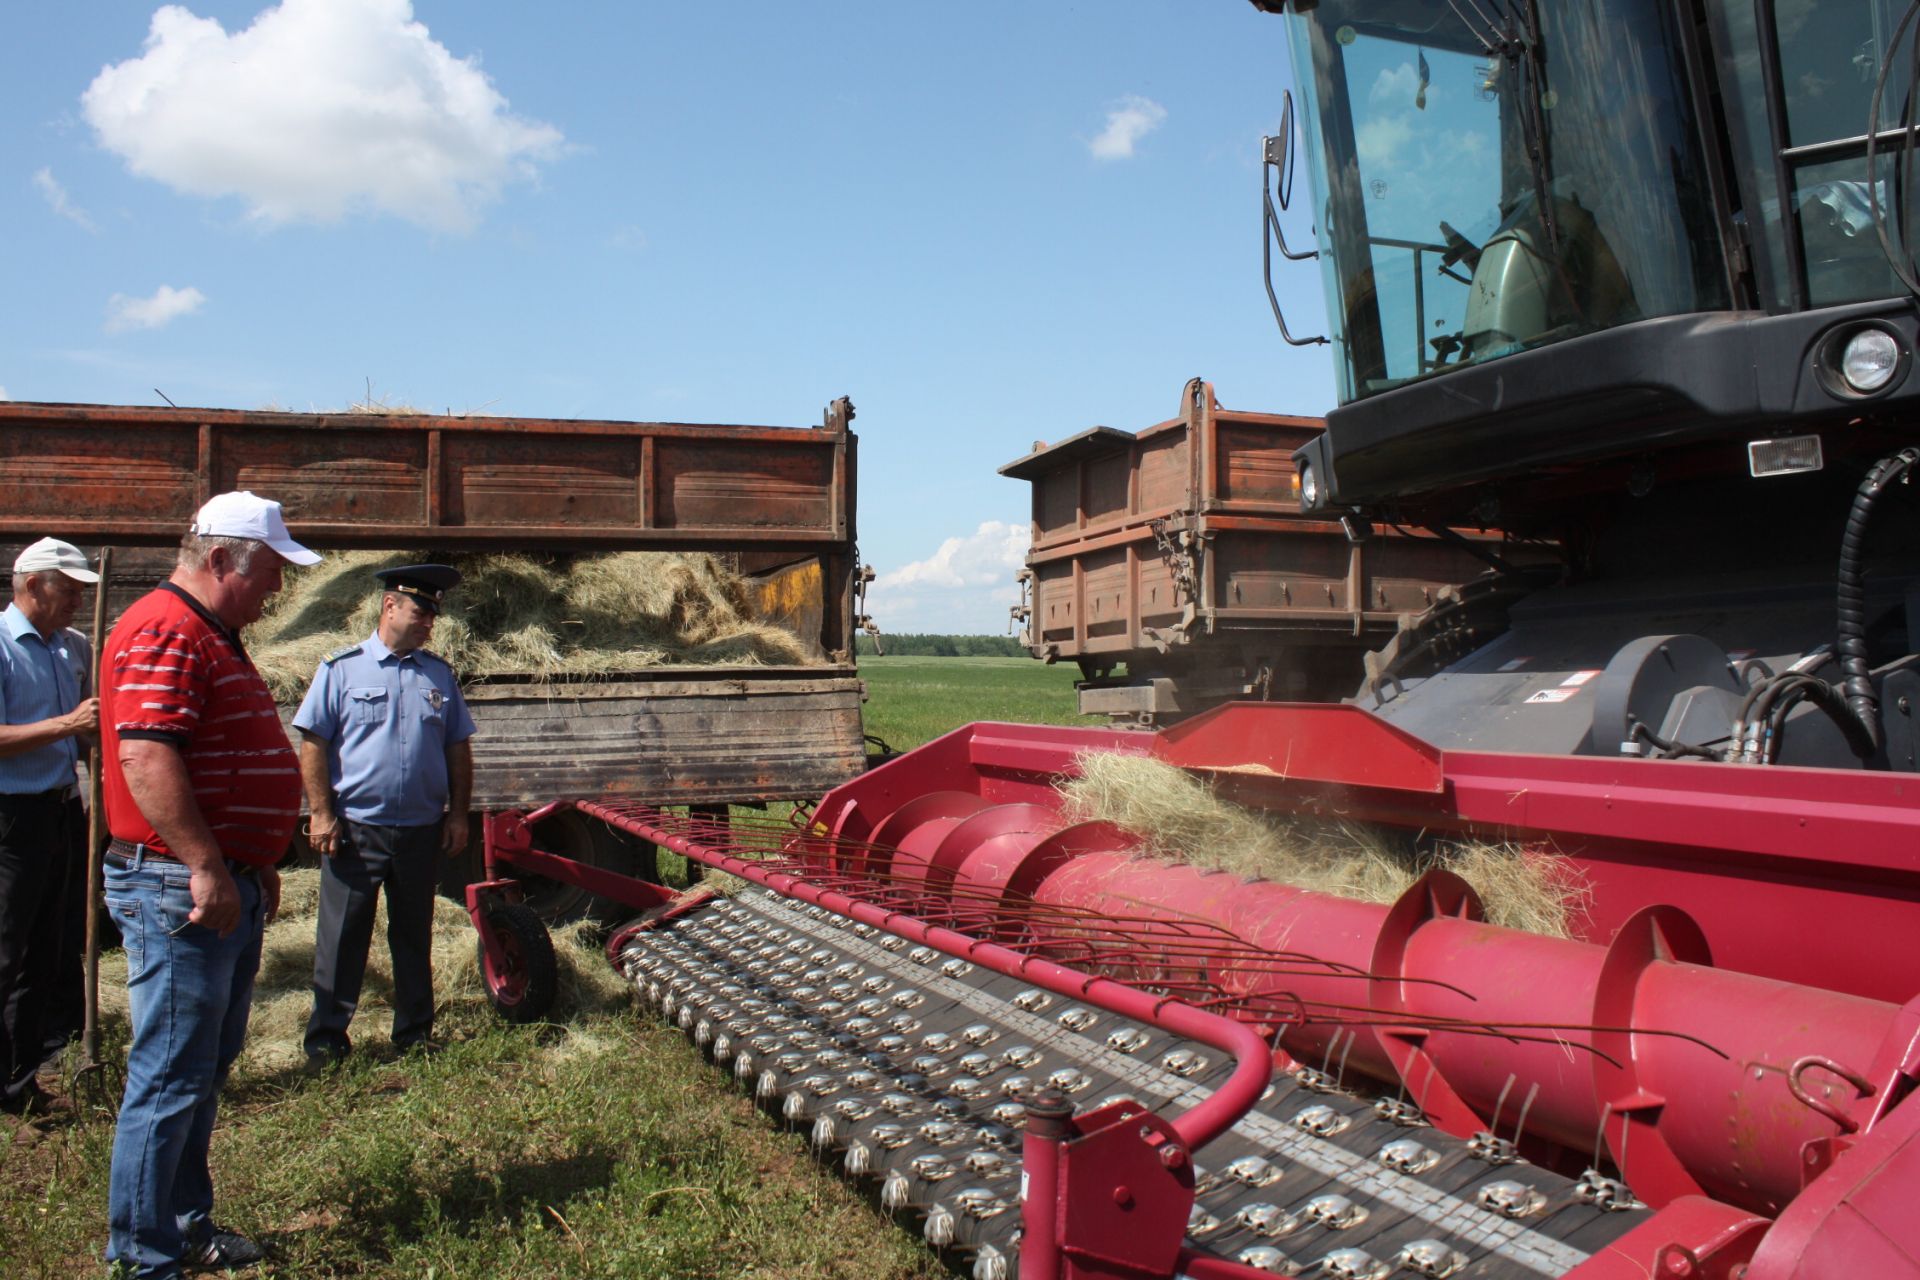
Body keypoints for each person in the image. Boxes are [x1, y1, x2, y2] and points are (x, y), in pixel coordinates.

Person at [101, 491, 318, 1278]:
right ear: (222, 559)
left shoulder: (211, 633)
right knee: (169, 1073)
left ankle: (184, 1225)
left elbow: (208, 755)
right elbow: (147, 758)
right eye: (270, 574)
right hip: (176, 887)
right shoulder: (167, 629)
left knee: (199, 1068)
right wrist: (203, 863)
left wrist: (252, 861)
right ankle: (145, 1256)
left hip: (216, 883)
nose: (278, 592)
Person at [295, 564, 474, 1069]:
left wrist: (457, 814)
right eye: (420, 612)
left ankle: (414, 1033)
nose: (428, 624)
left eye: (433, 615)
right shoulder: (341, 669)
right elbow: (313, 744)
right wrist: (322, 813)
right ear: (389, 606)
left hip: (419, 830)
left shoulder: (437, 675)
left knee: (414, 933)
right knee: (343, 936)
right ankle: (327, 1041)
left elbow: (458, 747)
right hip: (356, 829)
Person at [0, 538, 98, 1116]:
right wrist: (68, 723)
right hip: (12, 816)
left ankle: (20, 1082)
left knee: (48, 951)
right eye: (69, 590)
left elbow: (88, 734)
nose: (79, 603)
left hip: (63, 809)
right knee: (7, 949)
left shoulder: (74, 647)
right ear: (33, 585)